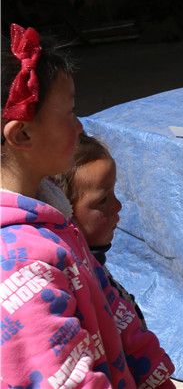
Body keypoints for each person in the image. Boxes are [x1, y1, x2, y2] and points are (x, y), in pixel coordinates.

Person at [1, 24, 175, 388]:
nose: (80, 126)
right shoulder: (24, 266)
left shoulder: (52, 213)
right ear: (22, 134)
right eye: (68, 113)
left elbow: (115, 310)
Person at [53, 133, 149, 327]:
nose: (118, 206)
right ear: (64, 210)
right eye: (103, 200)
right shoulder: (75, 286)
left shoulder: (93, 266)